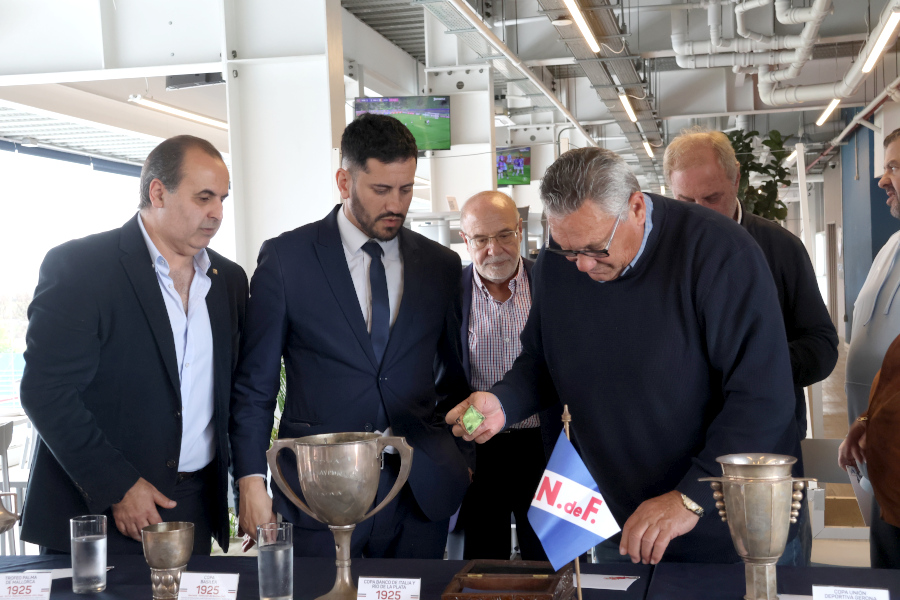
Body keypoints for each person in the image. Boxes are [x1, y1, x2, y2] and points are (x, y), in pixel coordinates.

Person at [446, 147, 803, 566]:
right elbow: (543, 361)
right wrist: (503, 402)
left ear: (636, 207)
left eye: (595, 249)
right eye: (566, 249)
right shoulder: (563, 261)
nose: (579, 265)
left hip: (724, 523)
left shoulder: (720, 252)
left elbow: (763, 397)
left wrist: (689, 496)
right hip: (618, 522)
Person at [230, 113, 472, 559]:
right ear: (344, 181)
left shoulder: (439, 265)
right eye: (380, 190)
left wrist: (459, 457)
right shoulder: (288, 260)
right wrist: (249, 478)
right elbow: (255, 386)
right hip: (317, 492)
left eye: (405, 189)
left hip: (419, 492)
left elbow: (453, 378)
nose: (396, 205)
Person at [19, 135, 248, 554]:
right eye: (204, 198)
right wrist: (119, 485)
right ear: (157, 192)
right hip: (99, 513)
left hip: (192, 506)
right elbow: (45, 392)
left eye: (222, 199)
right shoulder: (81, 267)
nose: (217, 213)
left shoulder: (228, 281)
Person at [664, 128, 838, 439]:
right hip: (686, 440)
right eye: (685, 201)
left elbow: (822, 347)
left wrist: (758, 364)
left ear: (736, 180)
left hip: (768, 438)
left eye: (712, 198)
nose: (698, 212)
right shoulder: (662, 257)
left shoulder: (782, 248)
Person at [456, 191, 561, 561]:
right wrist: (464, 450)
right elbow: (447, 378)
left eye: (503, 235)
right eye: (481, 239)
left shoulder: (550, 283)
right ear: (465, 240)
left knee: (550, 559)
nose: (494, 249)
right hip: (481, 448)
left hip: (544, 444)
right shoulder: (451, 293)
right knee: (484, 560)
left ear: (520, 229)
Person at [839, 127, 900, 569]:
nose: (882, 180)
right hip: (884, 471)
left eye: (895, 167)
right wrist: (865, 420)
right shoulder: (893, 245)